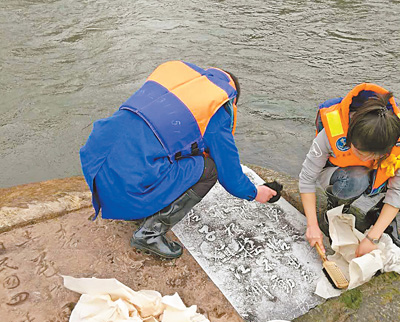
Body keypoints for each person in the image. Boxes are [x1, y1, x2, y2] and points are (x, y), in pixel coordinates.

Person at [80, 60, 276, 259]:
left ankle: (141, 210)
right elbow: (230, 176)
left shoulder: (176, 85)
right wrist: (255, 192)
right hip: (127, 183)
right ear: (231, 101)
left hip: (97, 165)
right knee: (209, 169)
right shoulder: (216, 109)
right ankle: (150, 233)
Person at [299, 83, 400, 258]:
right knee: (357, 178)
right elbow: (306, 179)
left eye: (374, 156)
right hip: (341, 174)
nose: (366, 160)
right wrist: (312, 225)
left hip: (377, 177)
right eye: (360, 153)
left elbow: (397, 191)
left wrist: (372, 238)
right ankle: (337, 204)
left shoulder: (395, 140)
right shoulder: (331, 133)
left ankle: (377, 213)